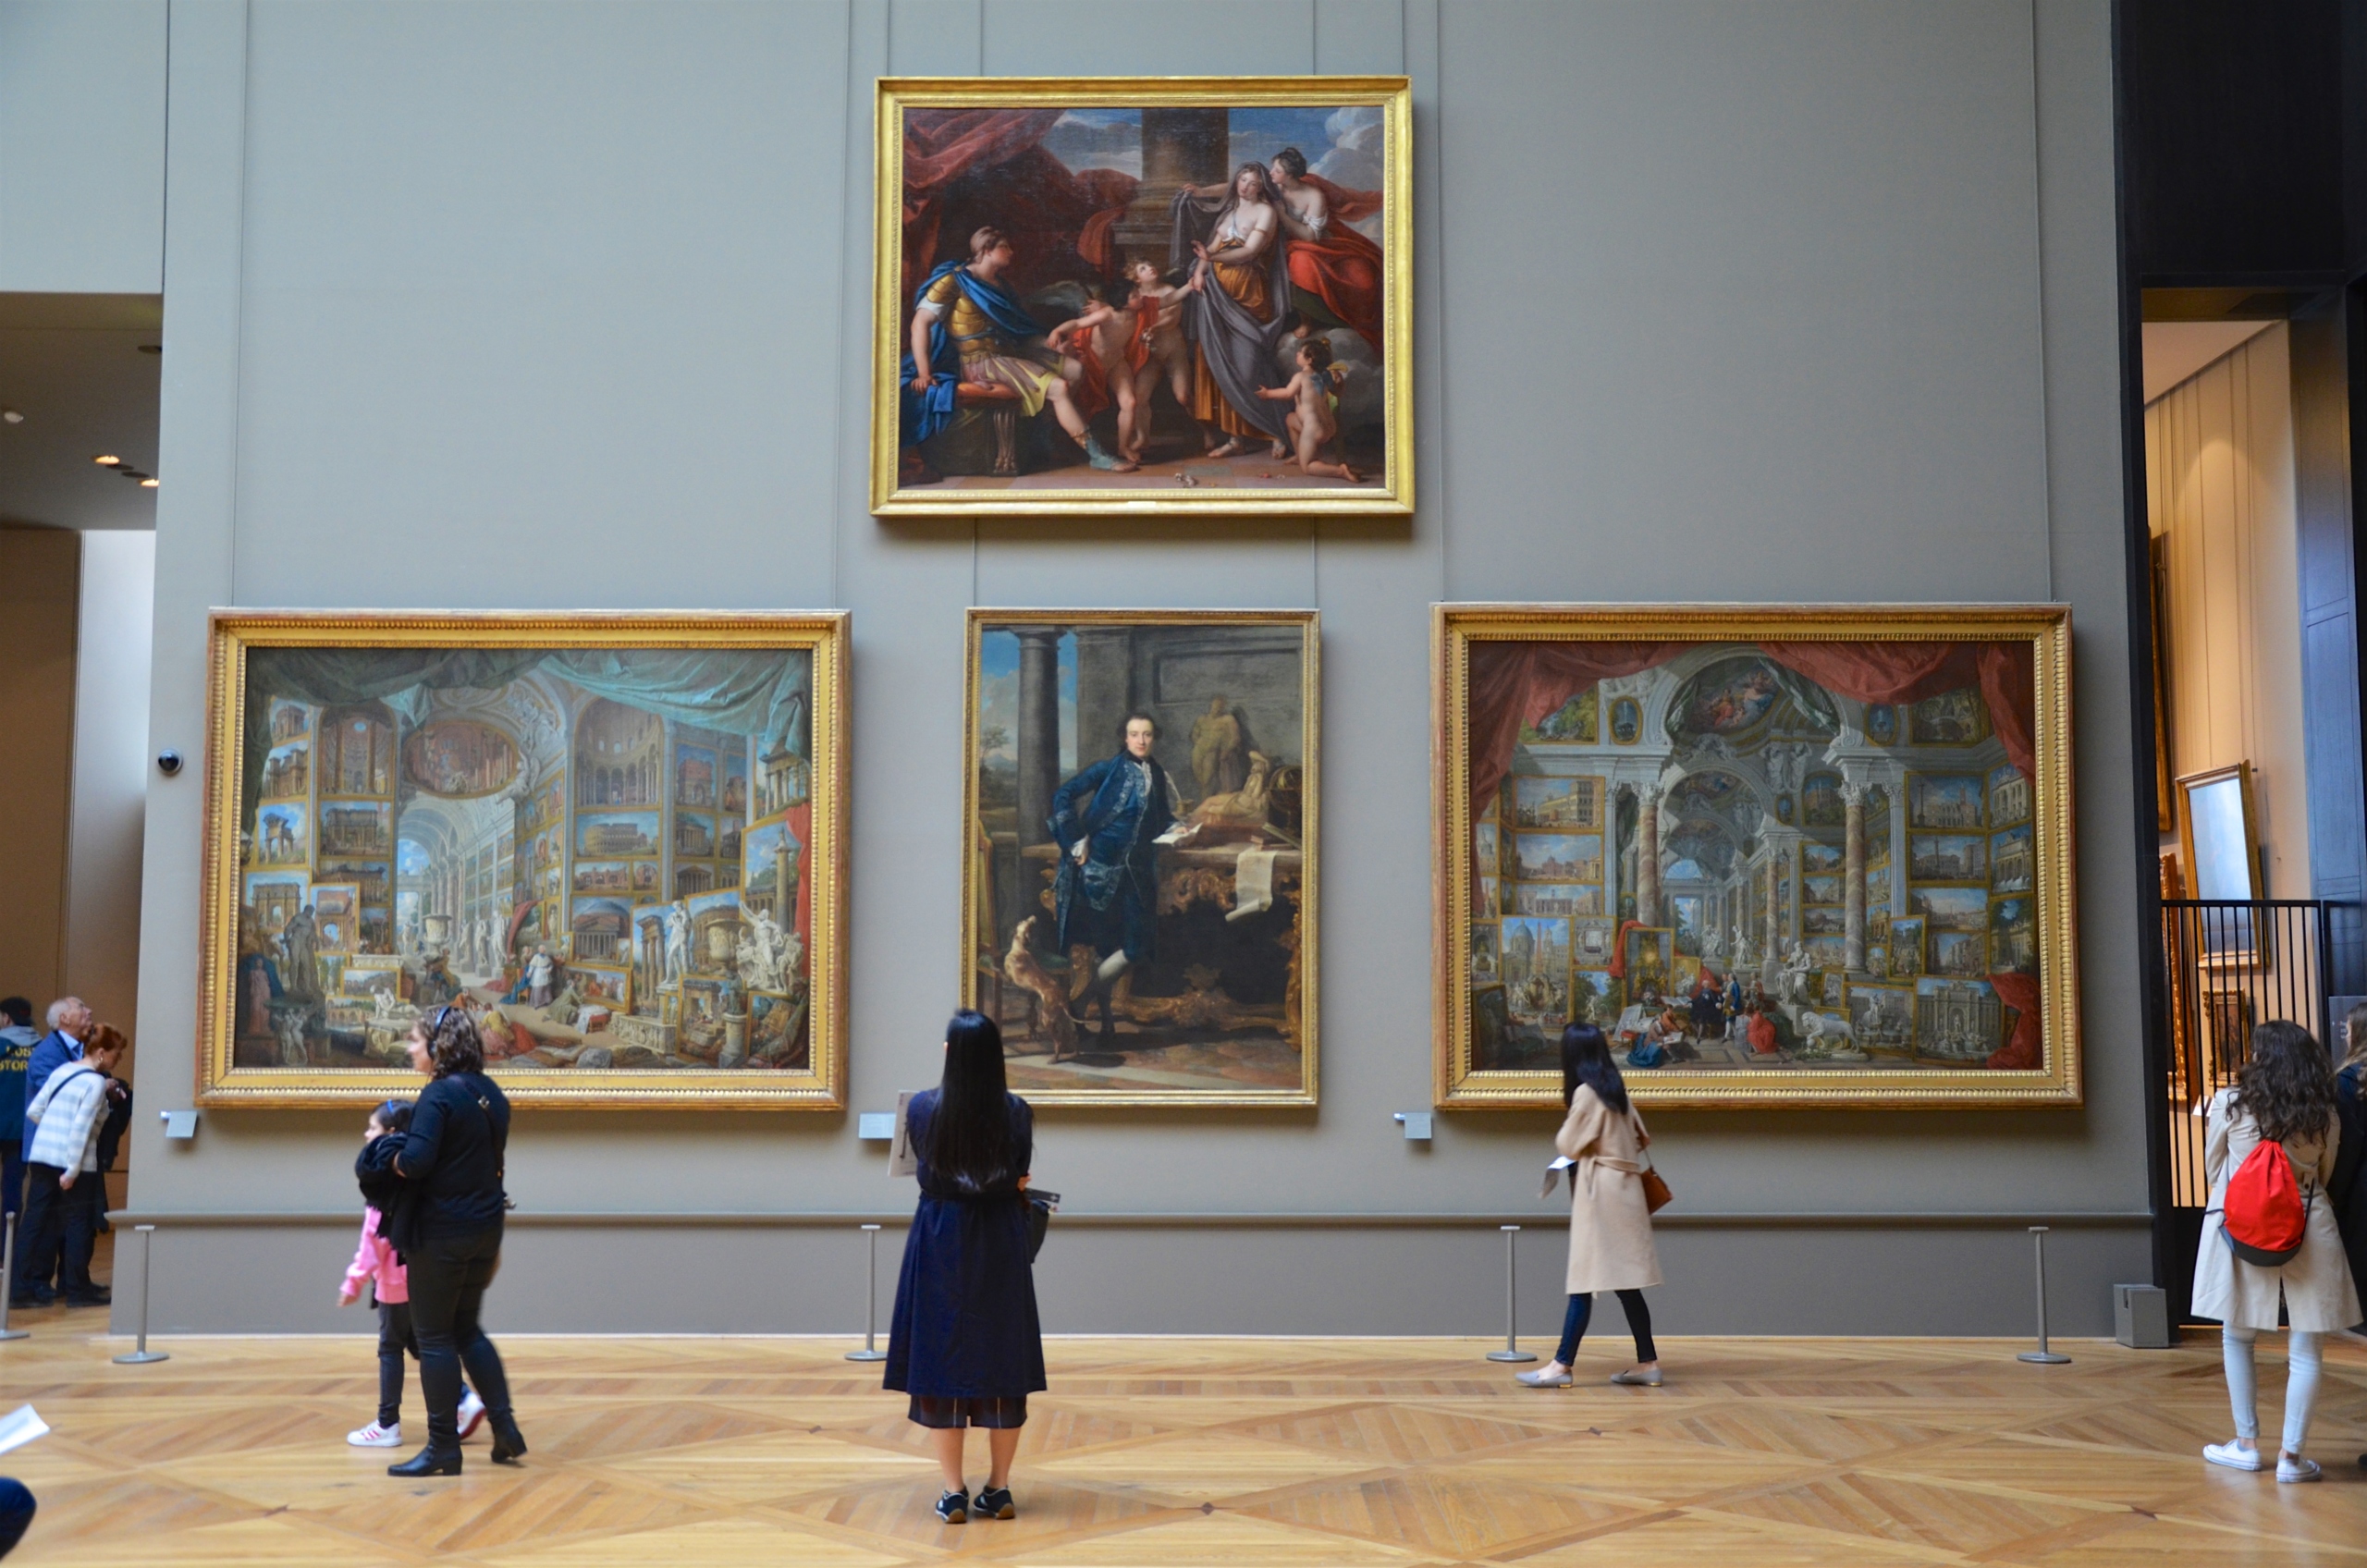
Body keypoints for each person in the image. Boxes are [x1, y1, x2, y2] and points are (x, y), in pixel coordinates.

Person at [885, 1011, 1045, 1525]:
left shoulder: (922, 1108)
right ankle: (999, 1488)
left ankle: (953, 1491)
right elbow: (1020, 1175)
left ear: (949, 1053)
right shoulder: (1016, 1112)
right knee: (1003, 1357)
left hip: (940, 1235)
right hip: (999, 1236)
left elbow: (921, 1165)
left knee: (941, 1356)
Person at [2193, 1021, 2359, 1482]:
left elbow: (2213, 1168)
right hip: (2308, 1221)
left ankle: (2246, 1445)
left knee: (2237, 1334)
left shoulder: (2230, 1103)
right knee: (2307, 1345)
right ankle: (2292, 1458)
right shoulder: (2322, 1112)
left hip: (2241, 1223)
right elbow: (2325, 1173)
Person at [386, 1007, 524, 1476]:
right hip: (485, 1230)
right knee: (466, 1329)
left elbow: (417, 1162)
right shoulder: (491, 1093)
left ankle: (443, 1446)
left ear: (437, 1045)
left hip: (442, 1233)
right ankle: (505, 1428)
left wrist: (389, 1157)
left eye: (414, 1040)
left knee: (434, 1337)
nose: (409, 1049)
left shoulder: (438, 1095)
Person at [903, 227, 1123, 472]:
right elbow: (920, 324)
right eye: (1004, 247)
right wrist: (924, 373)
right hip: (981, 362)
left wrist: (1050, 344)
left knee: (1074, 370)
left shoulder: (1000, 285)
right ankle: (1096, 454)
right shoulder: (954, 281)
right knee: (1058, 387)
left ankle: (1045, 437)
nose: (1011, 252)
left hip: (1008, 352)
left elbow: (1015, 329)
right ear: (986, 250)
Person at [1518, 1023, 1664, 1389]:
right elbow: (1640, 1138)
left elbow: (1567, 1144)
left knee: (1583, 1280)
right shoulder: (1616, 1090)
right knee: (1626, 1284)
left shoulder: (1586, 1093)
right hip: (1626, 1191)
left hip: (1601, 1194)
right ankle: (1648, 1363)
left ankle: (1561, 1366)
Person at [341, 1098, 484, 1450]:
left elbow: (373, 1242)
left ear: (390, 1133)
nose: (367, 1134)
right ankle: (464, 1399)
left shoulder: (383, 1183)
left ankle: (387, 1424)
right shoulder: (423, 1174)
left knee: (390, 1348)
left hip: (394, 1283)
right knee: (422, 1343)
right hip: (424, 1280)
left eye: (372, 1127)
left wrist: (354, 1281)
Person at [1049, 713, 1181, 1046]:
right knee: (1104, 947)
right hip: (1099, 872)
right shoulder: (1107, 769)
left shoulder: (1157, 774)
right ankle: (1104, 1021)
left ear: (1154, 738)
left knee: (1134, 948)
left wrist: (1177, 827)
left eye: (1147, 734)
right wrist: (1076, 840)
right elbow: (1062, 795)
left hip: (1138, 873)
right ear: (1125, 737)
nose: (1141, 740)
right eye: (1135, 734)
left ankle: (1078, 1004)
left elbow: (1160, 816)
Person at [1170, 164, 1294, 458]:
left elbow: (1249, 251)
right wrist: (1199, 272)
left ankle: (1275, 432)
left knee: (1249, 367)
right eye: (1242, 180)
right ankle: (1235, 437)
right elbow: (1211, 247)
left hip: (1248, 295)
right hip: (1216, 295)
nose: (1245, 187)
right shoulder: (1230, 212)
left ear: (1261, 188)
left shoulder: (1266, 212)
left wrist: (1211, 258)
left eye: (1252, 183)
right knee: (1220, 364)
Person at [18, 1024, 129, 1308]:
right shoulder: (94, 1083)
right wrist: (72, 1170)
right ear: (101, 1052)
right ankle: (77, 1291)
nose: (118, 1060)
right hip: (75, 1161)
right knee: (79, 1223)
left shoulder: (62, 1071)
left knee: (34, 1221)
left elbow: (34, 1110)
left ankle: (19, 1289)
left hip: (41, 1155)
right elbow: (81, 1129)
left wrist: (54, 1132)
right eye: (116, 1054)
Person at [1254, 337, 1360, 481]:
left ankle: (1340, 471)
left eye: (1301, 352)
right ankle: (1300, 455)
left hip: (1313, 427)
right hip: (1329, 426)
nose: (1297, 354)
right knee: (1290, 419)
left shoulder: (1301, 376)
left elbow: (1287, 393)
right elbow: (1337, 392)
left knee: (1308, 467)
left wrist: (1268, 394)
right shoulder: (1325, 375)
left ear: (1309, 360)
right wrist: (1340, 384)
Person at [0, 999, 36, 1221]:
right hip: (23, 1130)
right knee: (13, 1190)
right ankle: (9, 1240)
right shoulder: (42, 1048)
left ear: (6, 1018)